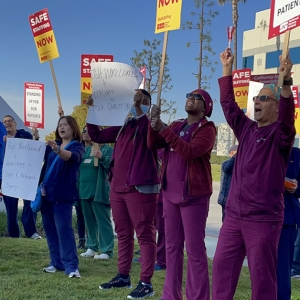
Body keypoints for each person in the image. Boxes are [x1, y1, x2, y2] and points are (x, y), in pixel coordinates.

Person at [212, 48, 295, 300]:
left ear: (276, 108)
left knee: (262, 281)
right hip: (234, 217)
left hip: (263, 220)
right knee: (221, 271)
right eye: (256, 98)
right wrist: (227, 69)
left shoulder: (281, 136)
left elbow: (288, 119)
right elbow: (228, 105)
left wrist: (286, 81)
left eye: (264, 99)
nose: (257, 101)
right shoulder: (246, 130)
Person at [86, 89, 159, 299]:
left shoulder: (152, 124)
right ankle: (123, 276)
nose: (140, 103)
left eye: (145, 101)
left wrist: (137, 108)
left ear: (149, 105)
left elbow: (150, 134)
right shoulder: (124, 125)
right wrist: (92, 110)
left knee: (145, 234)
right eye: (137, 100)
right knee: (124, 233)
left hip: (140, 188)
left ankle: (146, 283)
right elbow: (97, 135)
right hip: (118, 187)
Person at [148, 88, 216, 300]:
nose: (190, 99)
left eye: (197, 98)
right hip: (170, 193)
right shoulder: (177, 125)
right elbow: (152, 144)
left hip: (193, 196)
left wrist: (164, 130)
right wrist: (153, 124)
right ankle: (171, 295)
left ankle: (198, 296)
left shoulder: (207, 129)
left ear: (205, 107)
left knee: (195, 250)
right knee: (171, 246)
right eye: (189, 95)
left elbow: (190, 152)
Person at [41, 115, 84, 278]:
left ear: (73, 128)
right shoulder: (53, 145)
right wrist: (11, 142)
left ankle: (71, 266)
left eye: (65, 124)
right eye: (60, 125)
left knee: (64, 230)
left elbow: (73, 158)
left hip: (63, 196)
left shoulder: (77, 146)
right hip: (46, 195)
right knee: (50, 230)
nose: (62, 127)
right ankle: (56, 262)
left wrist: (58, 150)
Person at [2, 115, 41, 239]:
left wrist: (36, 135)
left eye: (9, 121)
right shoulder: (1, 139)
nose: (7, 123)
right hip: (9, 178)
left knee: (29, 205)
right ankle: (14, 235)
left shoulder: (25, 135)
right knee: (11, 208)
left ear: (15, 124)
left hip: (26, 176)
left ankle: (31, 232)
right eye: (4, 122)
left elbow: (35, 148)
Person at [78, 126, 114, 259]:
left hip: (100, 190)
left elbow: (112, 166)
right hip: (84, 191)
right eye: (84, 131)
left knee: (103, 221)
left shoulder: (107, 149)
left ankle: (107, 250)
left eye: (89, 130)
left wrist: (101, 156)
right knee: (89, 220)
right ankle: (92, 246)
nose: (86, 133)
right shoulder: (84, 150)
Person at [277, 147, 300, 300]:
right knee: (262, 269)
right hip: (261, 217)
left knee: (283, 270)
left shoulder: (296, 154)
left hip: (287, 219)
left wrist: (297, 187)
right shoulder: (263, 148)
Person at [217, 144, 237, 222]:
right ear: (231, 153)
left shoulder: (238, 164)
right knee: (226, 220)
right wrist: (235, 157)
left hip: (233, 199)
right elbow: (227, 168)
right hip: (226, 198)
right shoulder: (226, 163)